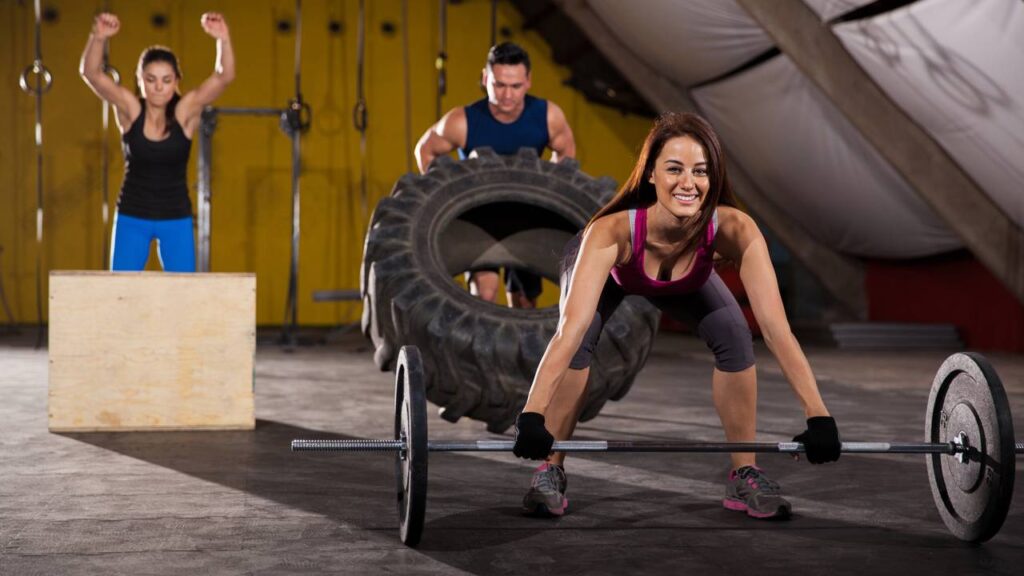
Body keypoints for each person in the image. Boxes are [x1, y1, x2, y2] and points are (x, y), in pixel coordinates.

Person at [511, 112, 841, 519]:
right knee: (579, 342)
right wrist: (531, 414)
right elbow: (568, 330)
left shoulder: (736, 229)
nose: (689, 182)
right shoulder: (610, 233)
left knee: (736, 336)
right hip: (615, 271)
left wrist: (818, 414)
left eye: (700, 171)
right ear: (650, 174)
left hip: (686, 277)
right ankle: (550, 469)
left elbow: (776, 330)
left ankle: (744, 473)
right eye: (674, 169)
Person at [414, 41, 576, 308]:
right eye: (499, 85)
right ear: (485, 78)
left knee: (524, 303)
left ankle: (523, 350)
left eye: (515, 86)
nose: (507, 95)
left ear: (528, 81)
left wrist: (545, 194)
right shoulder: (463, 120)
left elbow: (566, 156)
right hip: (479, 220)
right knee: (486, 296)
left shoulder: (548, 115)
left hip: (526, 217)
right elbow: (426, 151)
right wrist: (451, 195)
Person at [80, 12, 235, 272]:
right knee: (120, 294)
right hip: (132, 215)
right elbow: (91, 74)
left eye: (166, 80)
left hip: (176, 217)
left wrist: (224, 39)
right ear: (140, 81)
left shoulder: (185, 111)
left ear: (176, 82)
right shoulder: (130, 109)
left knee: (182, 297)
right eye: (150, 80)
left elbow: (224, 76)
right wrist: (98, 37)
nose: (158, 88)